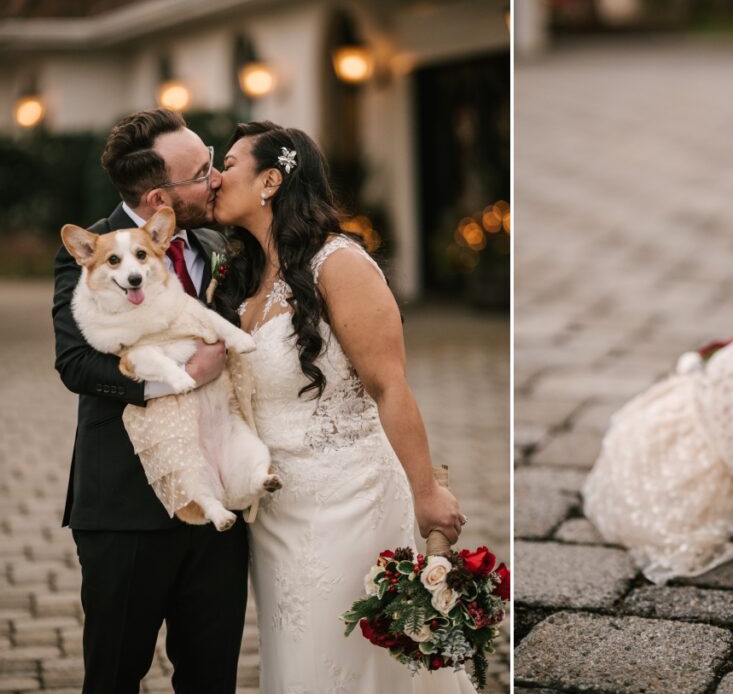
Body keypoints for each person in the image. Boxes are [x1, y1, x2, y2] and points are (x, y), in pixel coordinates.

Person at [211, 121, 475, 692]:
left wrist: (427, 491)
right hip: (276, 512)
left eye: (228, 164)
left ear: (270, 181)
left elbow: (390, 386)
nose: (215, 175)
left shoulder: (340, 264)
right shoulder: (244, 278)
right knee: (295, 654)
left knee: (346, 660)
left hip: (350, 501)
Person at [52, 108, 247, 693]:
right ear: (160, 194)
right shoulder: (90, 251)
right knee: (114, 675)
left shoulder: (218, 241)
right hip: (125, 507)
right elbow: (76, 362)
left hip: (218, 501)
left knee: (212, 677)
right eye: (204, 171)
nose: (217, 178)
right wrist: (183, 375)